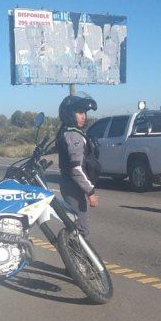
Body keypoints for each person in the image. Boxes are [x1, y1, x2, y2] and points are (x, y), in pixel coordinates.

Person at [56, 93, 100, 237]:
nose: (84, 116)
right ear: (70, 114)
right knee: (80, 231)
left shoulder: (66, 133)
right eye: (80, 113)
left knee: (75, 229)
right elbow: (76, 169)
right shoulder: (73, 136)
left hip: (71, 187)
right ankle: (78, 259)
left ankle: (74, 257)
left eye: (85, 113)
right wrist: (90, 191)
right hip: (74, 189)